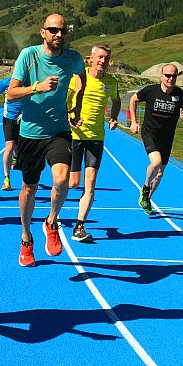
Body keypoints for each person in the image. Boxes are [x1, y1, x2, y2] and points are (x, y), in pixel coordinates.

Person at [8, 14, 86, 267]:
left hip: (59, 130)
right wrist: (36, 88)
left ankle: (51, 221)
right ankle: (26, 237)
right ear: (43, 32)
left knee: (63, 180)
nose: (58, 35)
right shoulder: (29, 57)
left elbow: (81, 80)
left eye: (62, 30)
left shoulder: (72, 58)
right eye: (53, 30)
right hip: (30, 132)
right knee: (29, 188)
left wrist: (76, 106)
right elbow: (10, 95)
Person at [67, 43, 121, 243]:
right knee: (72, 183)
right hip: (74, 136)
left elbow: (116, 101)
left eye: (106, 58)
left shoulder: (111, 82)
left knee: (90, 183)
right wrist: (69, 117)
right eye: (100, 57)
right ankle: (55, 214)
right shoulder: (78, 79)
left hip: (96, 138)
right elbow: (65, 101)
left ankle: (79, 226)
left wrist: (113, 117)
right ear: (90, 58)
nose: (103, 62)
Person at [128, 64, 183, 215]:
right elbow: (133, 99)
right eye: (168, 75)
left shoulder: (180, 94)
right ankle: (145, 187)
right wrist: (134, 121)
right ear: (161, 76)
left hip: (167, 137)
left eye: (174, 76)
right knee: (155, 162)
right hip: (150, 132)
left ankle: (147, 199)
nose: (170, 79)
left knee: (160, 173)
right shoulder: (150, 91)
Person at [0, 75, 24, 190]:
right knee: (9, 146)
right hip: (9, 118)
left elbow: (34, 100)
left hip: (23, 119)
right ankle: (6, 178)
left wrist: (24, 114)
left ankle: (16, 157)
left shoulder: (30, 82)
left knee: (20, 146)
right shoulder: (6, 82)